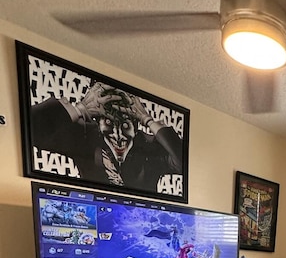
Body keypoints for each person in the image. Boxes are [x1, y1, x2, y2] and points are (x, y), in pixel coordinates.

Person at [30, 81, 183, 195]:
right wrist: (79, 109)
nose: (117, 136)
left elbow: (184, 165)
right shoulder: (84, 136)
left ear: (136, 127)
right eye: (109, 123)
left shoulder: (150, 146)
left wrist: (148, 120)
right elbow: (30, 130)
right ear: (98, 124)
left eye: (125, 125)